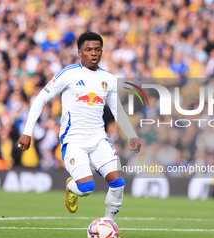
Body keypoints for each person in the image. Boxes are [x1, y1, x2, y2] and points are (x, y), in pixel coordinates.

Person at [17, 32, 141, 223]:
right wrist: (27, 132)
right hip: (74, 141)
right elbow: (40, 99)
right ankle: (71, 187)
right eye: (88, 50)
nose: (93, 53)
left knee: (118, 183)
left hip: (99, 139)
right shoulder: (69, 74)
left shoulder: (108, 79)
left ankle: (109, 225)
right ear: (79, 52)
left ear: (102, 51)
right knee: (86, 188)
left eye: (97, 50)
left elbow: (118, 110)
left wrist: (131, 134)